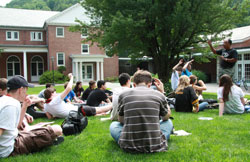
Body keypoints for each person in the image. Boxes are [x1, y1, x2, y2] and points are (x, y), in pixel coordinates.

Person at [110, 70, 173, 153]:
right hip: (154, 144)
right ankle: (155, 137)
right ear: (150, 85)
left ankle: (129, 137)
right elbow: (166, 117)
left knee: (114, 125)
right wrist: (162, 93)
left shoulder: (123, 95)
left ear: (134, 84)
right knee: (168, 122)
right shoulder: (159, 95)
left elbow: (121, 120)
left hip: (129, 144)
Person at [0, 75, 63, 158]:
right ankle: (48, 140)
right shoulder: (11, 105)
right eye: (26, 90)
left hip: (13, 138)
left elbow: (17, 125)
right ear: (20, 89)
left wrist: (25, 106)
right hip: (10, 148)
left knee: (32, 129)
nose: (26, 94)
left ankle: (47, 141)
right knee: (57, 129)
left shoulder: (5, 100)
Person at [44, 74, 112, 118]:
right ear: (51, 94)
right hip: (78, 111)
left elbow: (50, 117)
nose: (56, 94)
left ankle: (97, 114)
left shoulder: (46, 106)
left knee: (94, 110)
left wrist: (59, 113)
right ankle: (114, 105)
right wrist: (71, 77)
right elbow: (68, 88)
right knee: (100, 109)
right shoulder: (55, 100)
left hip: (74, 112)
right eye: (55, 93)